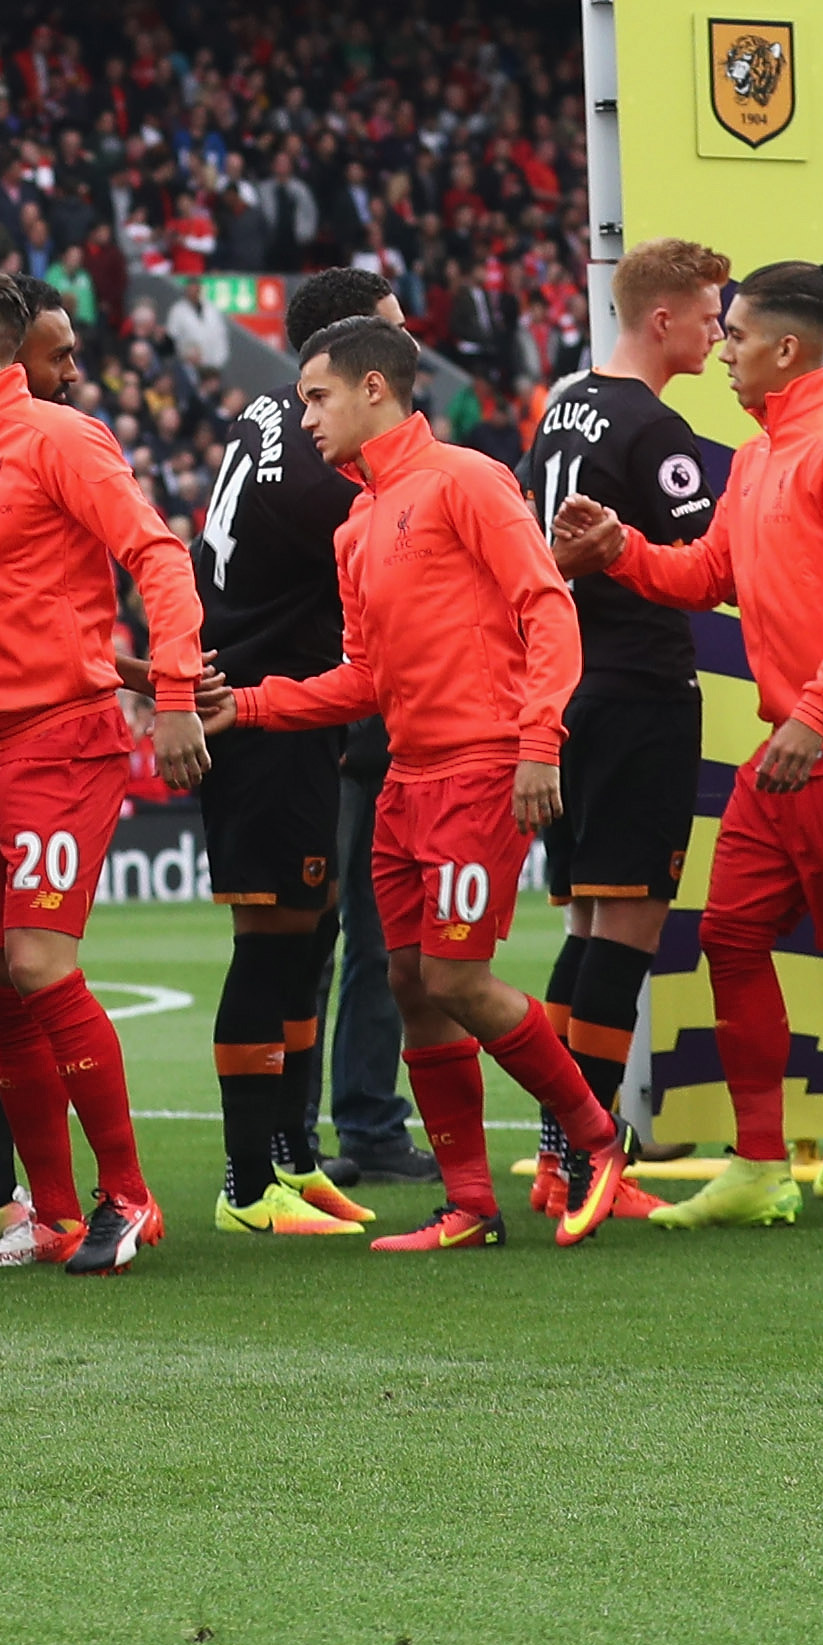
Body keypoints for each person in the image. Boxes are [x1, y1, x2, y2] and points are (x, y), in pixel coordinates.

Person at [558, 260, 823, 1235]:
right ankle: (759, 1165)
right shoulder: (758, 456)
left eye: (737, 335)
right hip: (794, 748)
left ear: (786, 349)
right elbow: (708, 571)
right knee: (729, 937)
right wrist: (618, 549)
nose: (722, 349)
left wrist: (816, 714)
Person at [216, 318, 626, 1253]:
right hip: (405, 777)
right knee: (407, 981)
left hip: (483, 768)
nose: (304, 416)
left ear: (375, 387)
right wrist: (251, 705)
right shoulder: (357, 522)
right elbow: (362, 677)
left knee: (456, 976)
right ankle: (471, 1203)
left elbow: (546, 605)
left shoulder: (468, 479)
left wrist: (538, 744)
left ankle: (598, 1139)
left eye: (316, 398)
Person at [0, 264, 211, 1274]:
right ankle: (56, 1214)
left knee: (35, 964)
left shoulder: (62, 439)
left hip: (61, 737)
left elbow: (157, 558)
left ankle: (129, 1197)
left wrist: (171, 698)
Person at [521, 236, 729, 1219]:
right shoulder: (654, 427)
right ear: (663, 319)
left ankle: (557, 1153)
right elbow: (704, 560)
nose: (718, 330)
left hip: (569, 688)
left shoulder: (561, 404)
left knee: (587, 924)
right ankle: (592, 1157)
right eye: (709, 313)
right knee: (627, 931)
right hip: (642, 688)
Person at [193, 263, 394, 1237]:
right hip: (269, 705)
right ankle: (246, 1184)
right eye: (389, 335)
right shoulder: (327, 460)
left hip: (280, 703)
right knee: (274, 949)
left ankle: (292, 1154)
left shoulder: (270, 417)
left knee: (308, 937)